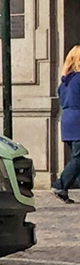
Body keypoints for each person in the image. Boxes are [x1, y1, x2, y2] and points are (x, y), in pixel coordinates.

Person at [57, 46, 80, 201]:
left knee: (76, 157)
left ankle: (63, 189)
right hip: (78, 120)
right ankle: (60, 184)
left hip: (67, 121)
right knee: (78, 159)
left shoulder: (65, 82)